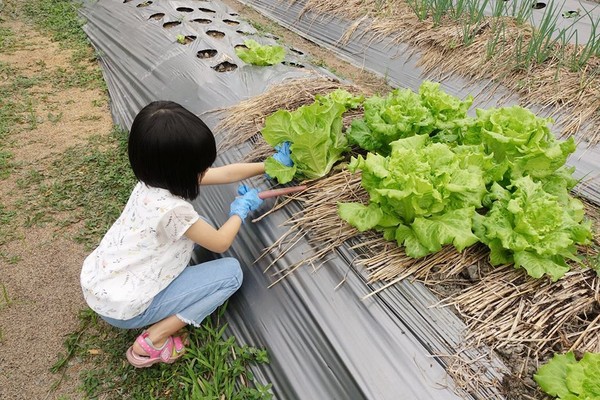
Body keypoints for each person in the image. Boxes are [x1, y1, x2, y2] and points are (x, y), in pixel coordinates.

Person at [80, 100, 292, 368]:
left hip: (103, 285)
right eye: (199, 167)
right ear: (180, 169)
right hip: (126, 309)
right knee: (231, 274)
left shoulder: (152, 180)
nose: (204, 172)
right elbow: (221, 241)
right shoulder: (173, 212)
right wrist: (240, 210)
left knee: (199, 223)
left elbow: (225, 173)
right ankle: (154, 340)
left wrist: (269, 165)